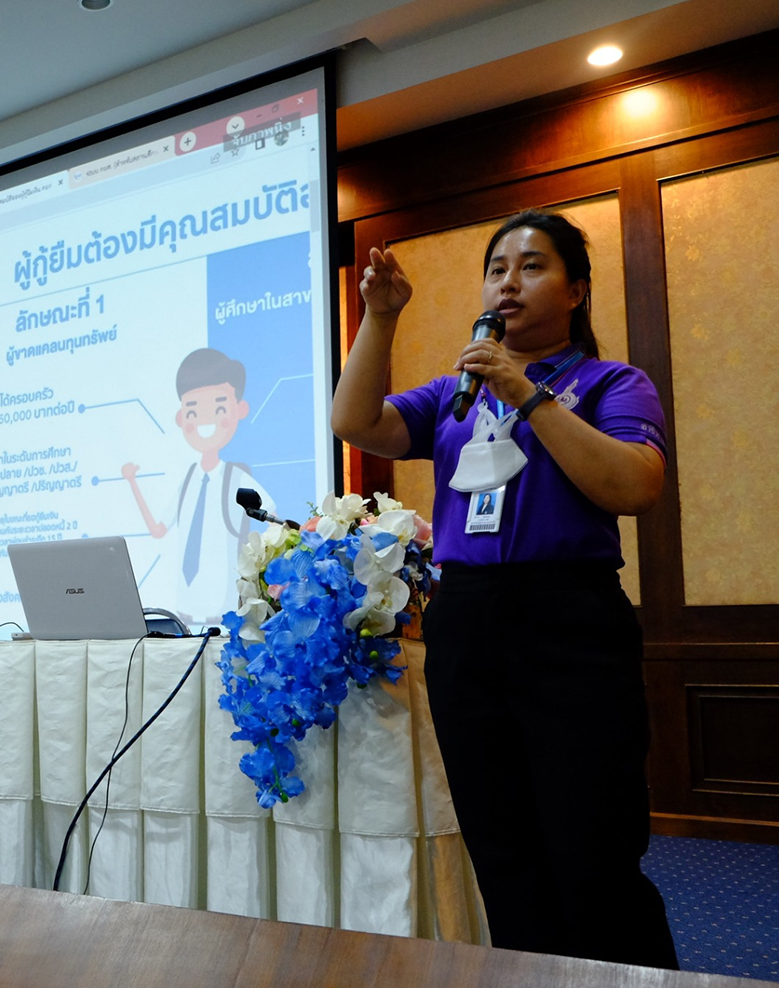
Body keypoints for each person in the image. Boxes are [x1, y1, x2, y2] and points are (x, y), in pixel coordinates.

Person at [330, 210, 677, 969]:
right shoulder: (457, 394)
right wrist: (379, 318)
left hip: (571, 622)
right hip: (468, 623)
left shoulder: (612, 383)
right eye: (496, 269)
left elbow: (634, 485)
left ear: (576, 290)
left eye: (531, 266)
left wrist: (525, 391)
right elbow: (354, 420)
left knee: (593, 844)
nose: (507, 283)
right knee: (502, 845)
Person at [122, 348, 273, 629]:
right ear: (181, 418)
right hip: (184, 613)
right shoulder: (188, 478)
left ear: (240, 410)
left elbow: (273, 524)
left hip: (227, 612)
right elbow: (158, 529)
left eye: (218, 408)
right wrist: (132, 484)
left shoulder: (236, 478)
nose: (204, 421)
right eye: (193, 410)